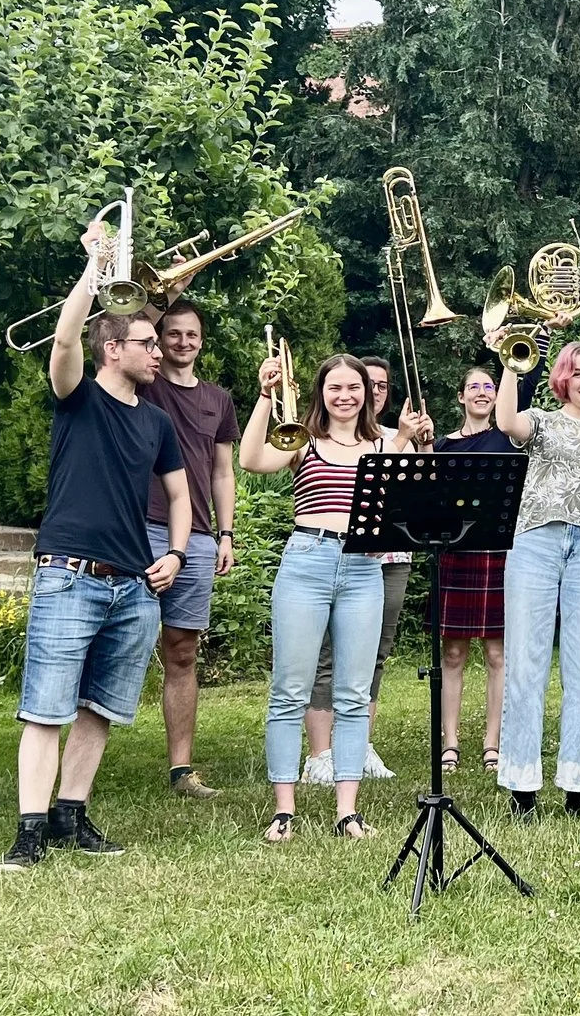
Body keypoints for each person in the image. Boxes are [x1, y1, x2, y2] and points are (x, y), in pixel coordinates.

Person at [0, 223, 190, 872]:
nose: (159, 351)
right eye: (147, 342)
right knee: (45, 710)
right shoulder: (76, 397)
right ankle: (28, 834)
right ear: (112, 349)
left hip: (134, 585)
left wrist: (176, 554)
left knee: (100, 708)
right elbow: (64, 338)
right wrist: (96, 269)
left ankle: (69, 815)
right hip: (70, 575)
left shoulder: (156, 420)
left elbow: (180, 495)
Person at [241, 351, 406, 842]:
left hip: (363, 568)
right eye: (334, 387)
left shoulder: (384, 444)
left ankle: (347, 812)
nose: (344, 395)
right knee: (289, 690)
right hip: (307, 560)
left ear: (367, 394)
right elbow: (251, 460)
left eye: (354, 387)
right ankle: (284, 811)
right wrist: (265, 396)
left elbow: (404, 507)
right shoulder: (303, 440)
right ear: (321, 393)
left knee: (354, 694)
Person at [495, 342, 580, 820]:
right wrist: (511, 365)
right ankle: (521, 788)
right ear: (562, 381)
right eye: (578, 373)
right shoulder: (542, 421)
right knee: (525, 665)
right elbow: (505, 421)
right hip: (536, 541)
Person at [302, 352, 423, 783]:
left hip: (390, 560)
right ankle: (320, 755)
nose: (372, 392)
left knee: (376, 655)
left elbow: (417, 498)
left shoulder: (396, 435)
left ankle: (360, 746)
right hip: (339, 556)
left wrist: (418, 441)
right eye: (364, 384)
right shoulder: (329, 436)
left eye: (380, 386)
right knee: (325, 655)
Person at [142, 301, 238, 800]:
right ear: (158, 340)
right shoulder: (145, 383)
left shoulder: (218, 400)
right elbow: (130, 322)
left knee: (182, 651)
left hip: (198, 537)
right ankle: (78, 767)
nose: (182, 342)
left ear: (202, 340)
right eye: (172, 333)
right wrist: (170, 290)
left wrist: (226, 534)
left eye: (191, 334)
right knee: (118, 645)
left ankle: (181, 771)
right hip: (141, 529)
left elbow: (222, 472)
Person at [434, 359, 537, 773]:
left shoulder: (508, 436)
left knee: (497, 653)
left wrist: (536, 334)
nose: (482, 392)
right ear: (461, 397)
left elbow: (528, 374)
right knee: (453, 653)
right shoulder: (441, 445)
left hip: (499, 550)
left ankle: (493, 742)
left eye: (489, 387)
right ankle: (450, 743)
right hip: (456, 550)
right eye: (473, 387)